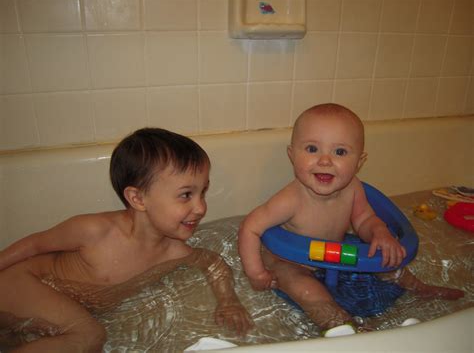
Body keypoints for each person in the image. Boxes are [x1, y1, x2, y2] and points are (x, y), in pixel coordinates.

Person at [0, 128, 251, 352]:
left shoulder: (172, 252)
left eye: (203, 192)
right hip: (20, 282)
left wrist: (229, 301)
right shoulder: (95, 232)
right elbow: (33, 245)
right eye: (186, 195)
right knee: (89, 336)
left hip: (50, 305)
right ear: (138, 199)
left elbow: (213, 263)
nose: (200, 207)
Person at [238, 103, 464, 335]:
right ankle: (342, 325)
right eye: (312, 148)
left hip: (334, 253)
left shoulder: (353, 189)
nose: (325, 161)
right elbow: (250, 228)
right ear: (292, 155)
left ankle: (419, 288)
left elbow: (365, 220)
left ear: (359, 162)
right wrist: (256, 273)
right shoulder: (290, 199)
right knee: (306, 290)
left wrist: (380, 233)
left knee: (385, 257)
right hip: (291, 262)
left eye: (340, 152)